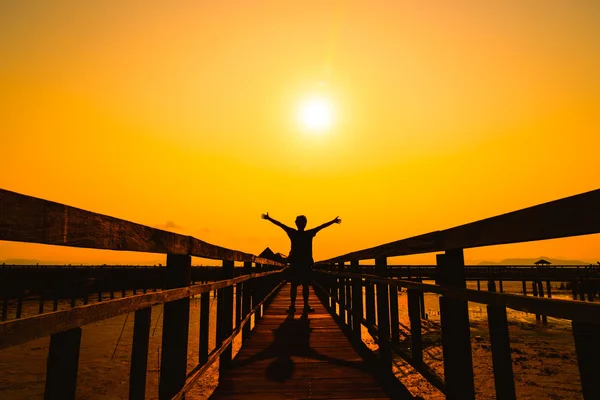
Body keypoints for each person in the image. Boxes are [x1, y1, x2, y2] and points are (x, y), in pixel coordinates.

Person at [262, 213, 341, 313]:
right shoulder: (309, 233)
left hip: (296, 263)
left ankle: (293, 306)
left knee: (295, 285)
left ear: (296, 223)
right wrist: (333, 222)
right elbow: (321, 226)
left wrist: (269, 218)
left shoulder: (293, 232)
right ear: (305, 224)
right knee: (304, 285)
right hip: (305, 263)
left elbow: (280, 225)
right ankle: (304, 305)